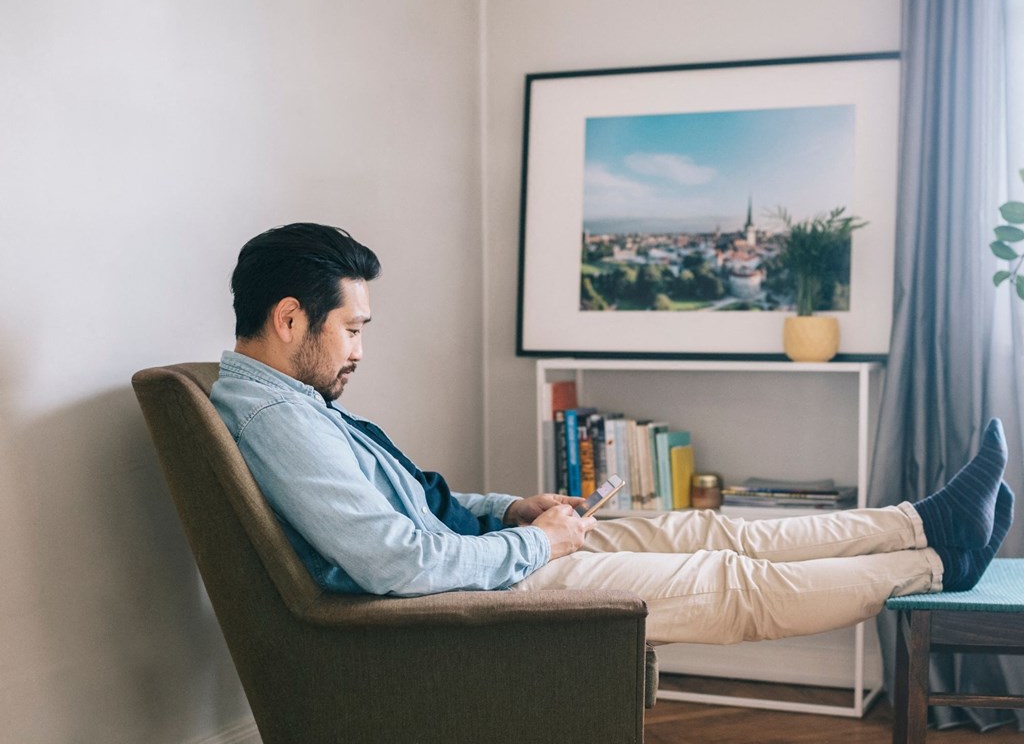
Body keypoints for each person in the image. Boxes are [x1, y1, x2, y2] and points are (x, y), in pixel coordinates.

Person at [210, 222, 1015, 646]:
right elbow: (394, 560)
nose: (359, 350)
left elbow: (410, 509)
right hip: (464, 596)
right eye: (352, 329)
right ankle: (937, 561)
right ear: (290, 319)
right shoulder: (277, 418)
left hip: (485, 559)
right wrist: (540, 549)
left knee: (704, 527)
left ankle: (924, 522)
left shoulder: (291, 400)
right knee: (727, 585)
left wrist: (513, 511)